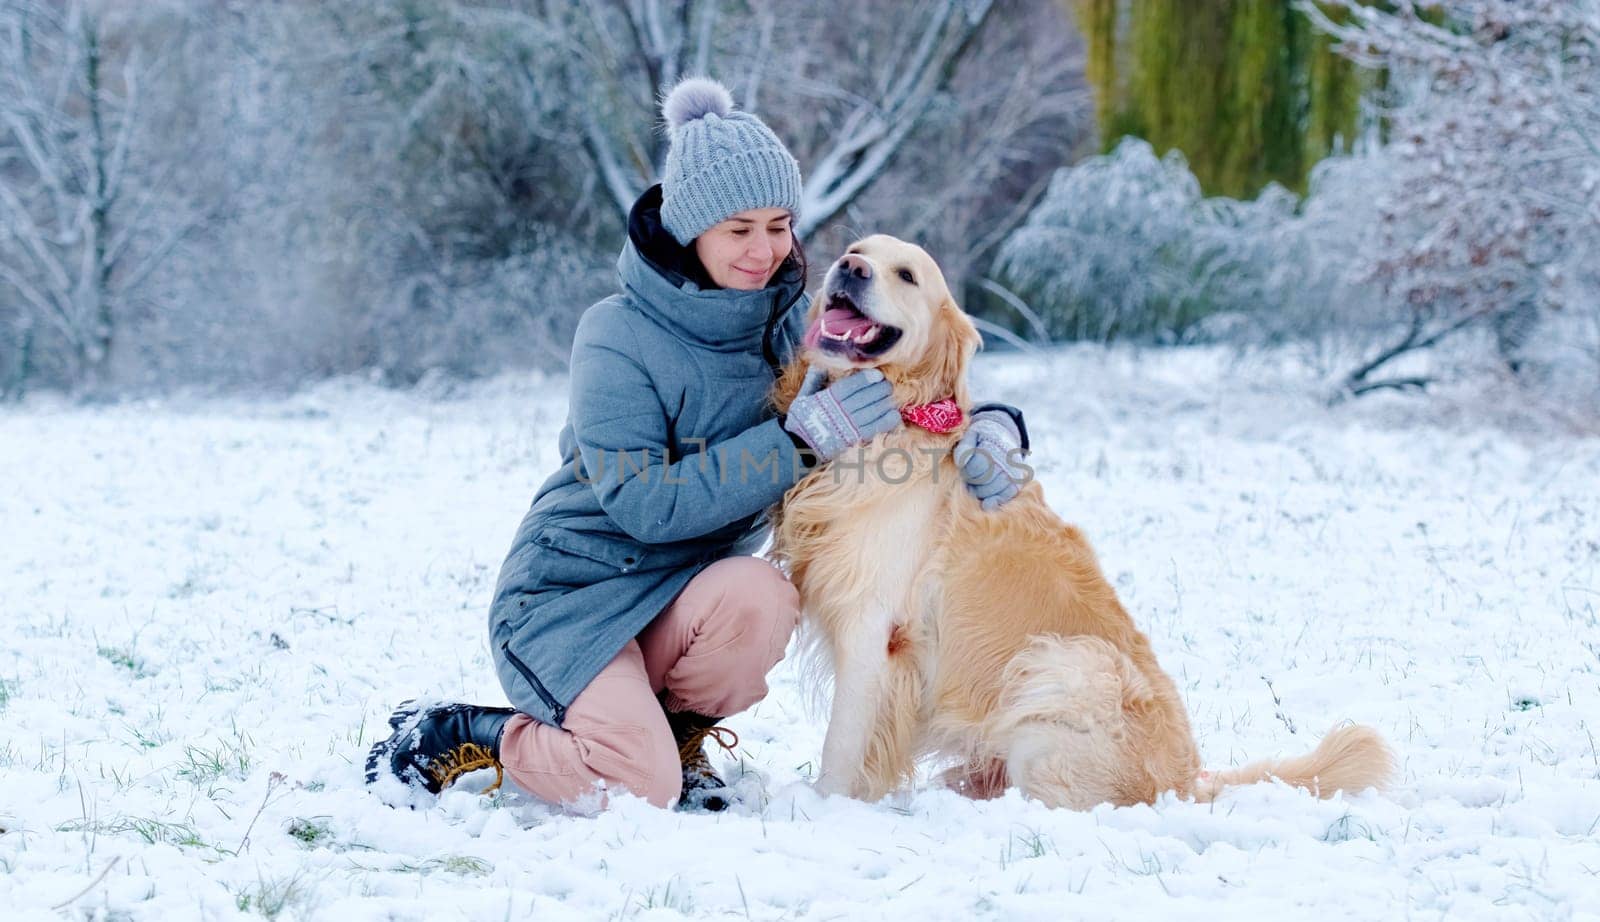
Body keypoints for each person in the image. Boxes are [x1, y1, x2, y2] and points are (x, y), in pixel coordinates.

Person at [365, 77, 1031, 812]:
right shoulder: (614, 336)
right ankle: (462, 735)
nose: (764, 250)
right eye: (738, 229)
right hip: (569, 602)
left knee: (762, 597)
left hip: (682, 599)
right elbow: (645, 507)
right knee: (634, 785)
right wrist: (799, 440)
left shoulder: (785, 328)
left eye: (779, 226)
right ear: (691, 230)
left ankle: (676, 735)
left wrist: (993, 424)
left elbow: (909, 375)